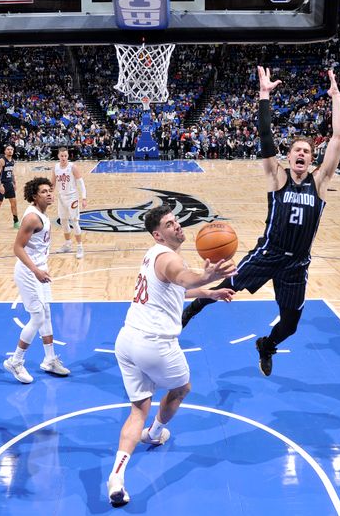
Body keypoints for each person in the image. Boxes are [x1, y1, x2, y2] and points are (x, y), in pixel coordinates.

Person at [180, 66, 340, 377]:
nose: (301, 154)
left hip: (297, 264)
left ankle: (267, 345)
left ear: (312, 159)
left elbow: (338, 135)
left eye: (307, 152)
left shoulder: (320, 182)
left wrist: (336, 97)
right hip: (267, 254)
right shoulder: (277, 177)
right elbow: (265, 134)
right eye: (297, 149)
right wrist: (264, 95)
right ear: (289, 155)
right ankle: (193, 308)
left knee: (291, 325)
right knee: (227, 286)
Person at [106, 205, 235, 507]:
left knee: (138, 408)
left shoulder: (154, 255)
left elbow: (175, 288)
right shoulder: (169, 257)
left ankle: (117, 476)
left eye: (176, 221)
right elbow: (183, 277)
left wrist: (208, 291)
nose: (176, 226)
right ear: (157, 234)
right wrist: (205, 276)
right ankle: (156, 432)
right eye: (169, 224)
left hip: (126, 340)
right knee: (181, 388)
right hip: (154, 344)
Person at [3, 177, 71, 383]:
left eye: (49, 190)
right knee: (38, 318)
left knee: (46, 314)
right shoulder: (32, 218)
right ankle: (16, 361)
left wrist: (41, 269)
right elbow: (17, 248)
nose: (49, 193)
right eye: (43, 191)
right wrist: (35, 271)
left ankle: (50, 359)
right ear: (34, 196)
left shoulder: (43, 214)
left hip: (39, 269)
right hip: (28, 271)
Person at [53, 146, 87, 258]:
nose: (63, 158)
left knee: (74, 221)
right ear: (58, 156)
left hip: (72, 197)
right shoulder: (56, 167)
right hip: (61, 197)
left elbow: (81, 183)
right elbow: (52, 183)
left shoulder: (73, 167)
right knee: (63, 221)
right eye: (61, 156)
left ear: (68, 156)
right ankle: (68, 244)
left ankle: (80, 247)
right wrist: (50, 194)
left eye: (65, 156)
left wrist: (84, 198)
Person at [0, 145, 20, 232]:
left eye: (11, 149)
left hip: (9, 185)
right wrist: (0, 186)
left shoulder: (13, 161)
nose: (10, 151)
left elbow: (12, 172)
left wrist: (14, 183)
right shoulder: (2, 161)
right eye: (8, 149)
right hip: (1, 185)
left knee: (14, 204)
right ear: (5, 151)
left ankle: (16, 222)